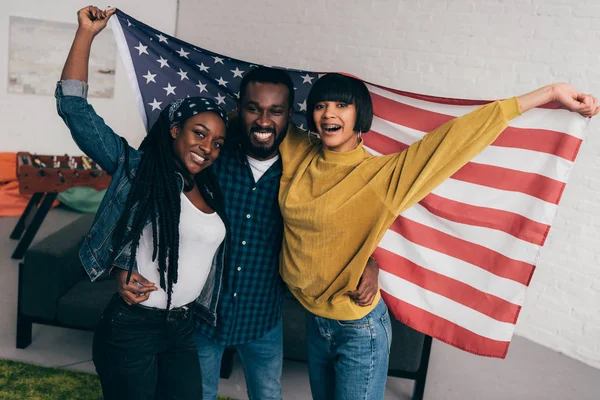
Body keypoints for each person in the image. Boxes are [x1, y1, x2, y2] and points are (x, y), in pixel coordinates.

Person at [277, 73, 599, 399]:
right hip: (314, 319)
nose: (329, 113)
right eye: (321, 105)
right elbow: (258, 114)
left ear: (359, 114)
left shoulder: (382, 177)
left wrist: (549, 92)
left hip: (358, 329)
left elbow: (454, 138)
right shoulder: (298, 150)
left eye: (341, 105)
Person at [117, 66, 380, 400]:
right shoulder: (210, 154)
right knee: (198, 394)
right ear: (238, 109)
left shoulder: (304, 169)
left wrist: (369, 261)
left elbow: (336, 225)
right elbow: (145, 198)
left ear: (290, 116)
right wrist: (121, 264)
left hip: (263, 315)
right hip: (202, 315)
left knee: (268, 394)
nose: (264, 120)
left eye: (276, 111)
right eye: (254, 108)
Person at [56, 6, 230, 399]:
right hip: (133, 327)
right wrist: (86, 33)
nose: (207, 148)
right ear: (174, 130)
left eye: (217, 142)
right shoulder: (138, 169)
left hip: (183, 327)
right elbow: (74, 110)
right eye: (199, 134)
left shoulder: (213, 189)